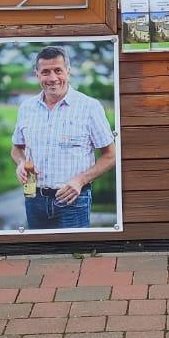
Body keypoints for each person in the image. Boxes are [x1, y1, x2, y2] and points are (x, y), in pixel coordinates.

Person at [11, 45, 116, 229]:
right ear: (37, 74)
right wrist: (21, 163)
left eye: (58, 70)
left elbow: (111, 156)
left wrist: (80, 180)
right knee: (38, 248)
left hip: (73, 200)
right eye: (45, 72)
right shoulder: (26, 108)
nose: (52, 78)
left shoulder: (89, 107)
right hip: (33, 199)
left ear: (68, 71)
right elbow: (16, 148)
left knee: (74, 248)